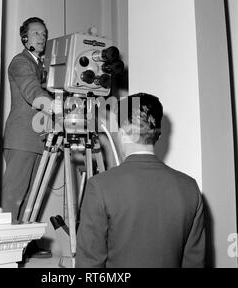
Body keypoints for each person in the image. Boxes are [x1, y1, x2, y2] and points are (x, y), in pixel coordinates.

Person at [75, 93, 205, 268]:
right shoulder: (190, 187)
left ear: (121, 134)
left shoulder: (100, 186)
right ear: (157, 136)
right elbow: (195, 262)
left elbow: (89, 265)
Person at [1, 17, 54, 260]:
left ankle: (24, 247)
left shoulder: (43, 67)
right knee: (14, 198)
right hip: (21, 138)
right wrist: (57, 106)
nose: (41, 37)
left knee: (32, 199)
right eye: (35, 33)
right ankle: (4, 252)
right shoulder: (20, 62)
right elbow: (32, 91)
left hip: (38, 141)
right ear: (24, 38)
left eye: (43, 34)